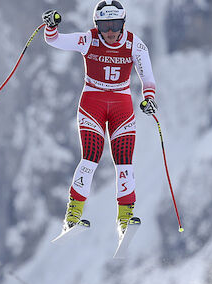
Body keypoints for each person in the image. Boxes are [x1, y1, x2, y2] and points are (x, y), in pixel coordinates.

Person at [42, 0, 158, 238]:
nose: (111, 32)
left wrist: (148, 98)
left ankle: (124, 218)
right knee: (90, 158)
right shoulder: (88, 39)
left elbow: (148, 78)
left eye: (116, 25)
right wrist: (51, 26)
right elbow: (54, 40)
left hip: (121, 106)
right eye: (104, 26)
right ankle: (72, 215)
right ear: (97, 25)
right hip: (92, 103)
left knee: (124, 162)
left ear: (123, 23)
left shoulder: (135, 44)